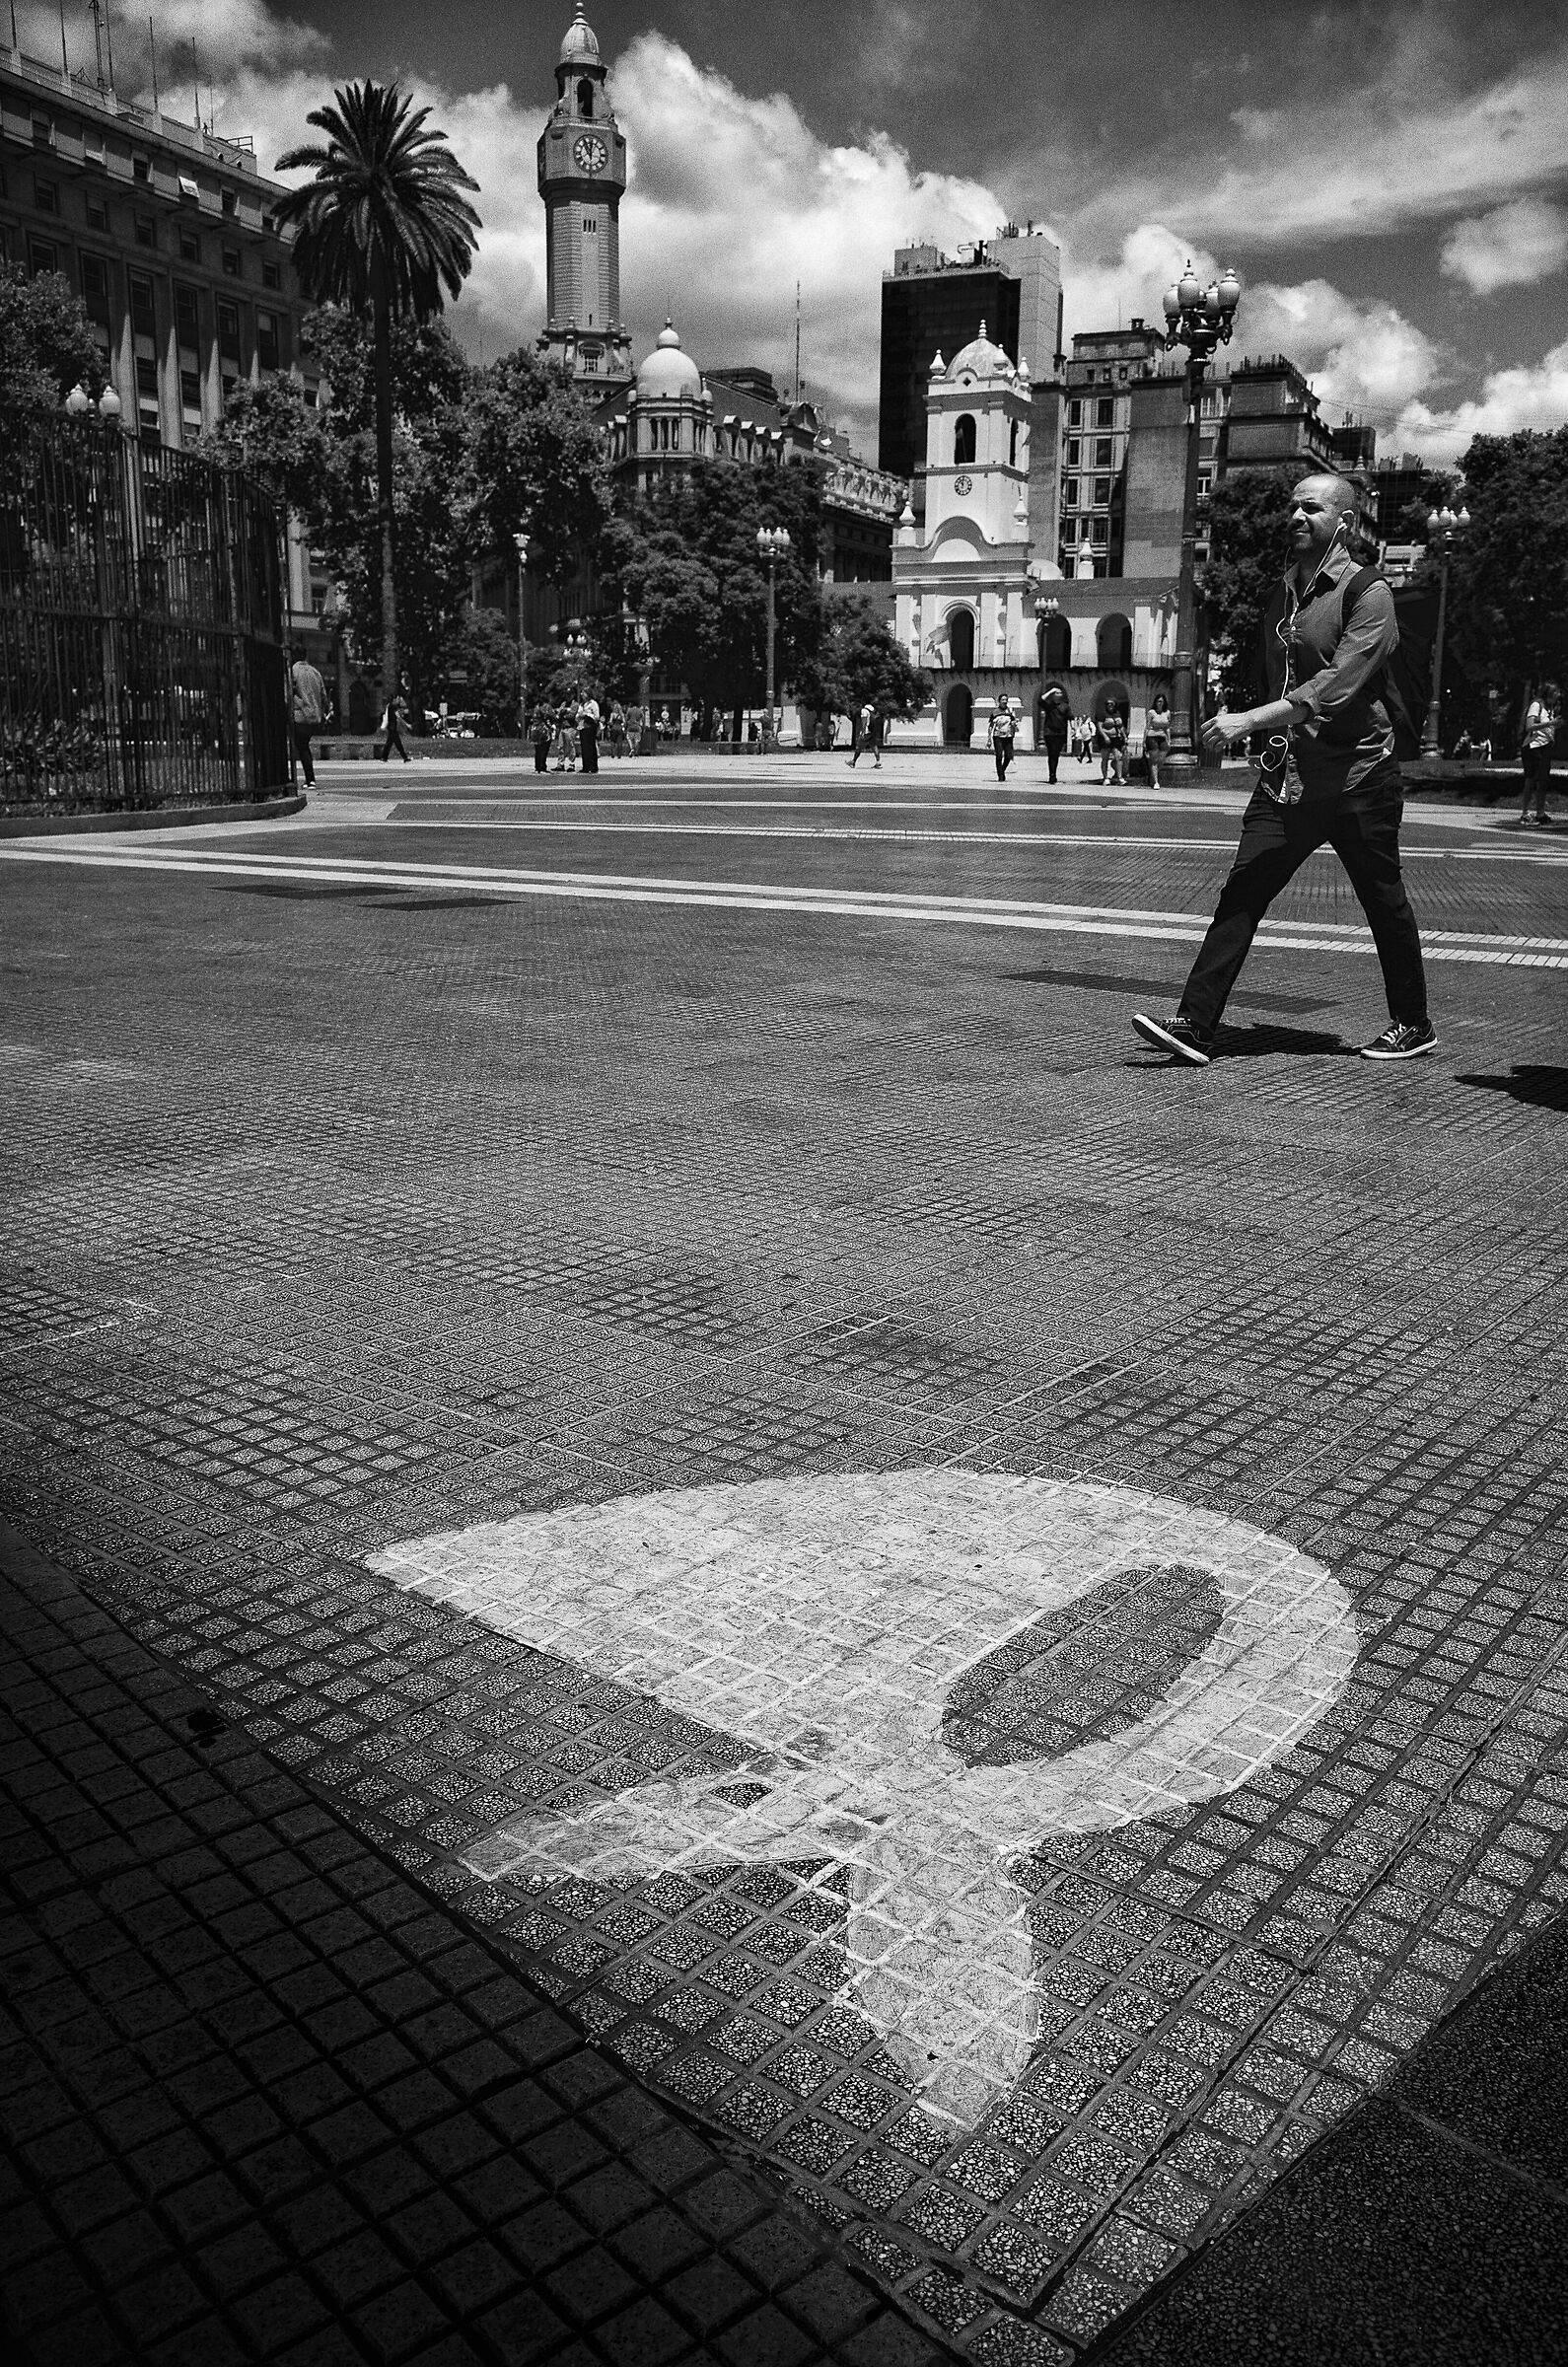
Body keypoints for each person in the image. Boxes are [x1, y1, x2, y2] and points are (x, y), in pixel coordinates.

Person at [1132, 472, 1435, 1066]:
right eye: (1292, 508)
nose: (1295, 517)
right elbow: (1280, 675)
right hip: (1288, 777)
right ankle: (1195, 1025)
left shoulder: (1368, 593)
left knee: (1383, 901)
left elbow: (1334, 686)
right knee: (1243, 890)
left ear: (1342, 522)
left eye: (1312, 509)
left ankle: (1413, 1022)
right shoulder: (1284, 592)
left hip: (1358, 778)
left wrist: (1250, 721)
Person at [1520, 683, 1559, 825]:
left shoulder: (1551, 709)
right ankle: (1525, 813)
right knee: (1531, 780)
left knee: (1543, 781)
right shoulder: (1537, 705)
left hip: (1545, 747)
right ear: (1548, 693)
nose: (1558, 695)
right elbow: (1529, 726)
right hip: (1533, 747)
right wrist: (1551, 724)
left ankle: (1540, 813)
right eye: (1555, 692)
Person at [289, 653, 326, 787]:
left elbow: (288, 692)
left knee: (301, 747)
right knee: (304, 746)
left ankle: (306, 779)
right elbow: (323, 695)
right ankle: (310, 779)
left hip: (299, 714)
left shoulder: (293, 671)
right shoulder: (315, 672)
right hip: (313, 716)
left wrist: (297, 702)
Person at [1037, 682, 1070, 784]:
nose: (1058, 694)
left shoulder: (1065, 706)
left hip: (1060, 733)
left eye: (1060, 692)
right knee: (1051, 753)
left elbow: (1070, 718)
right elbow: (1041, 700)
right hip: (1049, 732)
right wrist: (1051, 691)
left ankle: (1053, 773)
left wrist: (1072, 730)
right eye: (1056, 692)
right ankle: (1052, 775)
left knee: (1056, 754)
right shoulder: (1049, 705)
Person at [1143, 691, 1172, 789]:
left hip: (1162, 736)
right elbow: (1147, 727)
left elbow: (1167, 727)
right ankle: (1155, 782)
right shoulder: (1151, 712)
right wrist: (1144, 740)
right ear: (1155, 702)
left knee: (1162, 758)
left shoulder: (1167, 712)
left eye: (1162, 701)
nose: (1160, 703)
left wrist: (1169, 739)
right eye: (1158, 701)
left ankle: (1152, 774)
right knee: (1154, 759)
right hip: (1152, 736)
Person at [378, 682, 411, 764]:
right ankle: (404, 757)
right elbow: (398, 717)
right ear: (394, 699)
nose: (398, 700)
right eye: (397, 699)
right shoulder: (393, 707)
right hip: (392, 728)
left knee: (390, 744)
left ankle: (384, 757)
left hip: (391, 727)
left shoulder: (389, 706)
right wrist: (407, 724)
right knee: (397, 744)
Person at [988, 696, 1018, 780]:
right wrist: (989, 739)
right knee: (999, 756)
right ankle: (1000, 775)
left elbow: (1013, 722)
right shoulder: (995, 712)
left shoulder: (1010, 711)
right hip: (998, 736)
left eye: (1006, 700)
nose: (1004, 701)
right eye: (1003, 700)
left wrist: (1014, 723)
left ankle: (1002, 770)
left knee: (1008, 756)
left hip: (1008, 736)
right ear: (999, 701)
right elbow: (991, 726)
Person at [1098, 706, 1128, 785]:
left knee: (1119, 757)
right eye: (1108, 704)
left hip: (1116, 738)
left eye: (1112, 703)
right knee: (1105, 758)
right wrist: (1105, 737)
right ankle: (1105, 778)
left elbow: (1121, 727)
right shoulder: (1103, 714)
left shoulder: (1117, 714)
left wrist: (1125, 737)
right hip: (1106, 739)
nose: (1110, 705)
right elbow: (1099, 727)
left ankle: (1120, 778)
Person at [847, 700, 877, 766]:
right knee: (874, 746)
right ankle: (878, 762)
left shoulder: (864, 711)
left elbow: (864, 722)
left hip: (866, 732)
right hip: (871, 732)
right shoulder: (871, 713)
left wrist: (862, 732)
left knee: (859, 747)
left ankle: (853, 762)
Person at [579, 692, 601, 775]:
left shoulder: (593, 704)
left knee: (590, 746)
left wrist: (586, 714)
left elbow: (596, 716)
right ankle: (586, 766)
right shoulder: (581, 704)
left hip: (590, 725)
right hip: (582, 726)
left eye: (583, 693)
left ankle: (593, 767)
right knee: (584, 747)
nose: (582, 694)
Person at [531, 707, 551, 774]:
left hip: (535, 728)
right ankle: (541, 767)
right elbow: (546, 717)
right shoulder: (544, 708)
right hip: (541, 729)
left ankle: (537, 767)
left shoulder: (535, 709)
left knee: (538, 750)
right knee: (543, 749)